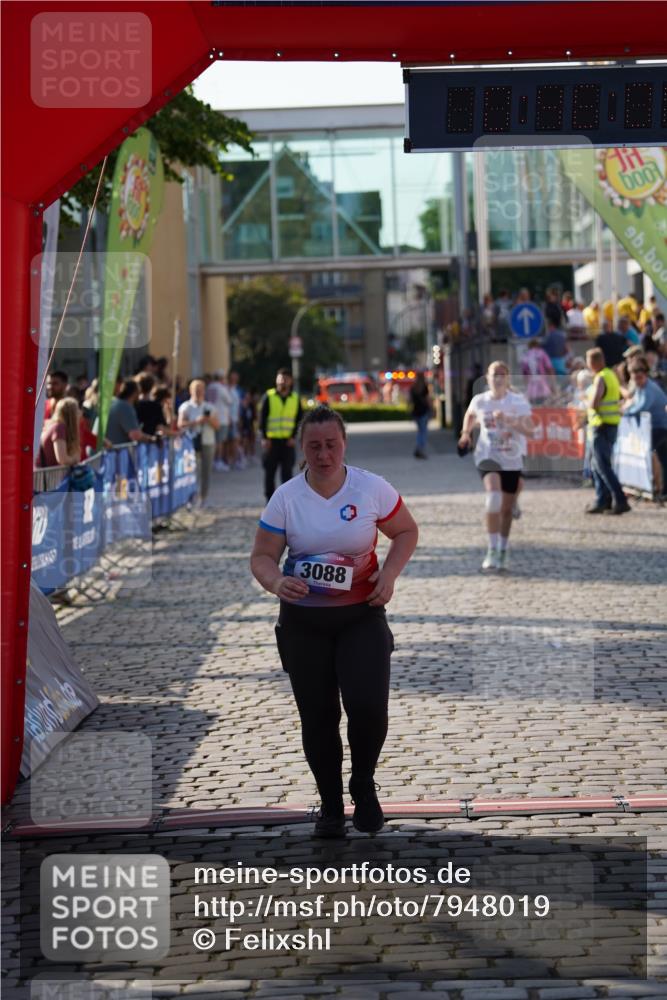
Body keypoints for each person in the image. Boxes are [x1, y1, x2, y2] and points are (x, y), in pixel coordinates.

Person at [250, 405, 418, 837]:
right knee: (319, 717)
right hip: (304, 623)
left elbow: (406, 531)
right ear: (301, 448)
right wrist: (276, 582)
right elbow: (262, 557)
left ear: (344, 444)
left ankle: (363, 782)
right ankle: (330, 804)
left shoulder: (370, 488)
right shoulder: (286, 498)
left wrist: (389, 574)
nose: (323, 455)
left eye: (331, 445)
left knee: (368, 707)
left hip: (361, 615)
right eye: (314, 447)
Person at [458, 361, 534, 572]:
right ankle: (491, 549)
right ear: (487, 377)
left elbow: (530, 431)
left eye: (502, 374)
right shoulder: (480, 400)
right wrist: (465, 433)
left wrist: (509, 421)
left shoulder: (517, 401)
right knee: (493, 499)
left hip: (511, 459)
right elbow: (470, 415)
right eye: (494, 374)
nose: (498, 378)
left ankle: (503, 548)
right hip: (487, 455)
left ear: (508, 378)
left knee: (506, 509)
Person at [584, 348, 630, 515]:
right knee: (598, 465)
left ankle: (620, 499)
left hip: (601, 425)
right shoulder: (611, 375)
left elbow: (595, 403)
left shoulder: (601, 377)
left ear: (593, 362)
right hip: (610, 425)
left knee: (602, 466)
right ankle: (603, 500)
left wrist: (587, 402)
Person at [622, 356, 667, 500]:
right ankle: (662, 491)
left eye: (639, 378)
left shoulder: (650, 388)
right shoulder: (640, 387)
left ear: (644, 375)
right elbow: (635, 404)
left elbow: (642, 407)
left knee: (645, 454)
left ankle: (651, 487)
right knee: (663, 459)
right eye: (634, 378)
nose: (637, 381)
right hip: (654, 426)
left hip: (661, 426)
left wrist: (624, 413)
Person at [259, 368, 303, 501]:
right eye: (281, 378)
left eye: (286, 378)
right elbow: (262, 418)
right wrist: (264, 438)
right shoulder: (269, 396)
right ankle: (270, 502)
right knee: (269, 473)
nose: (283, 381)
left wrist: (293, 437)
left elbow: (299, 420)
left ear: (291, 381)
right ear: (276, 380)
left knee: (287, 475)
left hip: (287, 443)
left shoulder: (295, 398)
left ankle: (286, 502)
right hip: (271, 442)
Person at [178, 378, 221, 506]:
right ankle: (191, 497)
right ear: (190, 391)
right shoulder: (186, 406)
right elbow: (180, 424)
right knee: (192, 471)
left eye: (200, 389)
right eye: (195, 390)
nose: (198, 392)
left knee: (206, 471)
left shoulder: (210, 407)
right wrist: (196, 421)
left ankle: (204, 497)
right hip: (191, 442)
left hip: (208, 441)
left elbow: (217, 426)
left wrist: (208, 420)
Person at [105, 380, 155, 446]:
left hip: (108, 449)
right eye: (139, 392)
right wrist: (152, 439)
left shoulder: (113, 402)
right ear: (135, 393)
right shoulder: (125, 407)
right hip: (116, 450)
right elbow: (135, 435)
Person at [37, 397, 80, 467]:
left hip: (48, 471)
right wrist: (75, 459)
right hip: (49, 472)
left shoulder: (54, 425)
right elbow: (62, 459)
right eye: (77, 410)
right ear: (71, 414)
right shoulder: (59, 428)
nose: (80, 413)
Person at [206, 370, 234, 472]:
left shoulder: (209, 387)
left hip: (211, 417)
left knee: (213, 441)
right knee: (220, 442)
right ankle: (218, 461)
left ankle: (212, 461)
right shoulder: (222, 388)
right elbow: (230, 401)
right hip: (221, 418)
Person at [521, 338, 555, 405]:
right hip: (542, 383)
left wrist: (526, 386)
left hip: (531, 385)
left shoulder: (525, 355)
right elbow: (549, 368)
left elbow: (524, 373)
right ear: (538, 345)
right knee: (545, 403)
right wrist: (552, 383)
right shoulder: (542, 353)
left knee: (533, 405)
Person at [409, 372, 432, 459]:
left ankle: (419, 448)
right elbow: (427, 400)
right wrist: (431, 409)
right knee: (423, 432)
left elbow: (410, 401)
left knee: (420, 431)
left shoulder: (413, 388)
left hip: (416, 412)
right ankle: (420, 449)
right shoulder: (424, 388)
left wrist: (409, 411)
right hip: (423, 411)